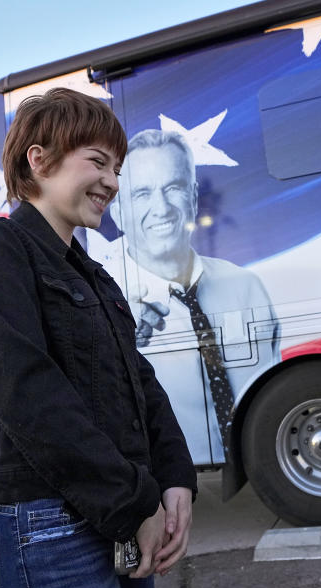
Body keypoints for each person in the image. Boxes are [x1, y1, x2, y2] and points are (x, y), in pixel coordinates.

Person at [0, 88, 197, 588]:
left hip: (117, 517)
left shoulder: (95, 278)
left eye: (117, 170)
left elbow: (140, 383)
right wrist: (132, 504)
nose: (112, 181)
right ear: (38, 160)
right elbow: (29, 394)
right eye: (99, 162)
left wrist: (175, 478)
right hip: (49, 529)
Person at [115, 129, 278, 463]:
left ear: (192, 197)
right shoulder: (105, 305)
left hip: (258, 475)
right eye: (142, 194)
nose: (161, 208)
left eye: (172, 188)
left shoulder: (245, 286)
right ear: (118, 213)